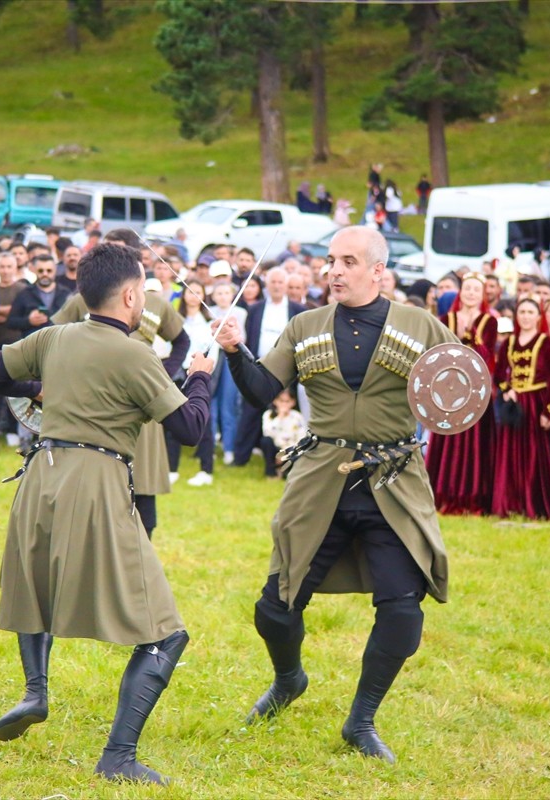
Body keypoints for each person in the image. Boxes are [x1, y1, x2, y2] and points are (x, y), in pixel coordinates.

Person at [0, 243, 213, 785]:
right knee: (165, 633)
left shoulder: (55, 336)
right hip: (96, 484)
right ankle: (118, 757)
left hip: (39, 478)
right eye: (144, 288)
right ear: (131, 295)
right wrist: (199, 376)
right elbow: (191, 429)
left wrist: (42, 389)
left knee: (37, 592)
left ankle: (35, 691)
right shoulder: (137, 355)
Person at [214, 225, 459, 764]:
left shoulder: (420, 326)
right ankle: (288, 679)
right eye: (330, 261)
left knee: (403, 612)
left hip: (392, 482)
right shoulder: (306, 326)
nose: (334, 271)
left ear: (378, 271)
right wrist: (235, 350)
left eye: (348, 261)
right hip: (321, 477)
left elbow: (458, 390)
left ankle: (361, 720)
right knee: (275, 607)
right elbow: (260, 392)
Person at [51, 233, 191, 539]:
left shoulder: (154, 303)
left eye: (115, 252)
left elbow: (182, 340)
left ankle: (142, 561)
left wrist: (164, 373)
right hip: (97, 402)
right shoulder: (81, 302)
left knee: (142, 492)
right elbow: (53, 336)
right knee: (96, 488)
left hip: (143, 404)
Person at [426, 274, 497, 514]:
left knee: (474, 443)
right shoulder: (447, 319)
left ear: (483, 294)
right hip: (450, 389)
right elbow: (439, 350)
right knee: (448, 441)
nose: (471, 293)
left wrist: (471, 336)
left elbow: (486, 356)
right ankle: (444, 494)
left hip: (476, 390)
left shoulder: (489, 322)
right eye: (467, 289)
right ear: (460, 292)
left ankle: (472, 496)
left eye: (476, 289)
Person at [492, 299, 550, 518]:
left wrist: (548, 411)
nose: (525, 316)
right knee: (511, 453)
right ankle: (510, 502)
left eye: (530, 312)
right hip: (515, 405)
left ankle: (534, 503)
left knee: (535, 455)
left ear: (538, 316)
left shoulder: (546, 342)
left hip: (536, 403)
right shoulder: (509, 342)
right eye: (522, 311)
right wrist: (507, 389)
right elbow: (498, 374)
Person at [232, 267, 307, 467]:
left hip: (286, 368)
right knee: (250, 410)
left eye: (280, 282)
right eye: (273, 282)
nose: (276, 286)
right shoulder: (255, 308)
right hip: (258, 364)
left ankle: (288, 459)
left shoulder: (297, 311)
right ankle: (241, 457)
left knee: (287, 412)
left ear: (286, 286)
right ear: (267, 285)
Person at [169, 280, 218, 486]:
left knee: (204, 421)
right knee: (172, 418)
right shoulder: (175, 321)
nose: (193, 295)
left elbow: (213, 354)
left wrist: (201, 373)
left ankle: (206, 470)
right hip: (177, 375)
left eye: (198, 291)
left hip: (200, 375)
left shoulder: (208, 323)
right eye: (190, 291)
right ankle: (171, 469)